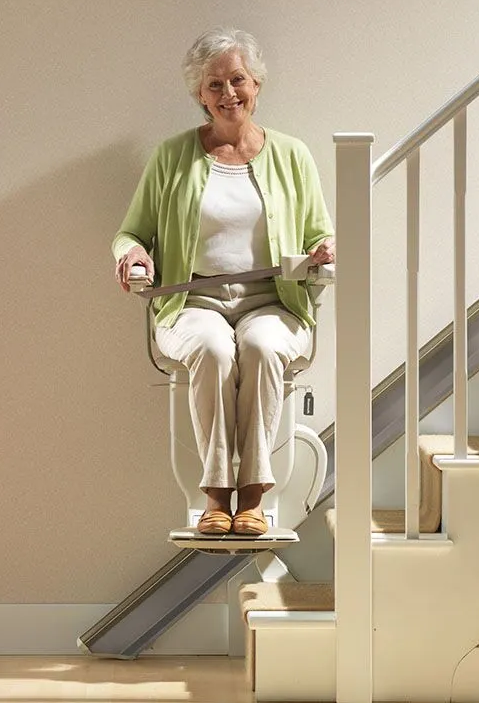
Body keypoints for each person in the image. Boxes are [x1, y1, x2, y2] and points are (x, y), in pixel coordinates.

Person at [111, 27, 335, 536]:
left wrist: (325, 250)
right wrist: (133, 254)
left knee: (258, 344)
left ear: (257, 84)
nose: (228, 94)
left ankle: (253, 497)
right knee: (213, 347)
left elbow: (321, 231)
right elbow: (130, 232)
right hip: (192, 300)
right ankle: (215, 495)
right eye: (215, 85)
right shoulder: (172, 157)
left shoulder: (292, 155)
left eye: (238, 80)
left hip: (273, 299)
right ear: (199, 96)